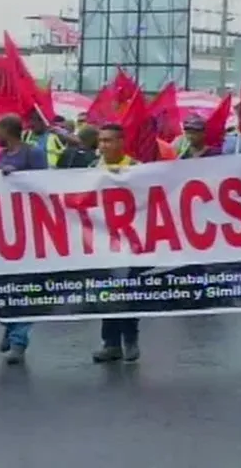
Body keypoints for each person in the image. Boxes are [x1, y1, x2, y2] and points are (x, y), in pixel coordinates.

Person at [0, 114, 48, 364]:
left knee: (25, 287)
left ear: (6, 130)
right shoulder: (2, 155)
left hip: (30, 228)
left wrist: (18, 176)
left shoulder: (33, 154)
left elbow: (45, 183)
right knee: (3, 284)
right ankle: (10, 324)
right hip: (5, 229)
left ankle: (19, 340)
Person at [91, 123, 142, 363]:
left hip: (131, 242)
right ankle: (111, 343)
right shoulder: (91, 169)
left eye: (108, 140)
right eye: (101, 141)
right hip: (103, 241)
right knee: (106, 293)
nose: (103, 145)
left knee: (128, 292)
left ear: (121, 143)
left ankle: (130, 340)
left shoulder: (137, 169)